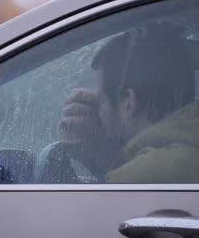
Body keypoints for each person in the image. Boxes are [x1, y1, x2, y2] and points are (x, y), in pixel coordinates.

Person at [58, 23, 199, 183]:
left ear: (128, 101)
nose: (98, 110)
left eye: (102, 99)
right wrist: (101, 147)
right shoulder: (188, 143)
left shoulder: (148, 172)